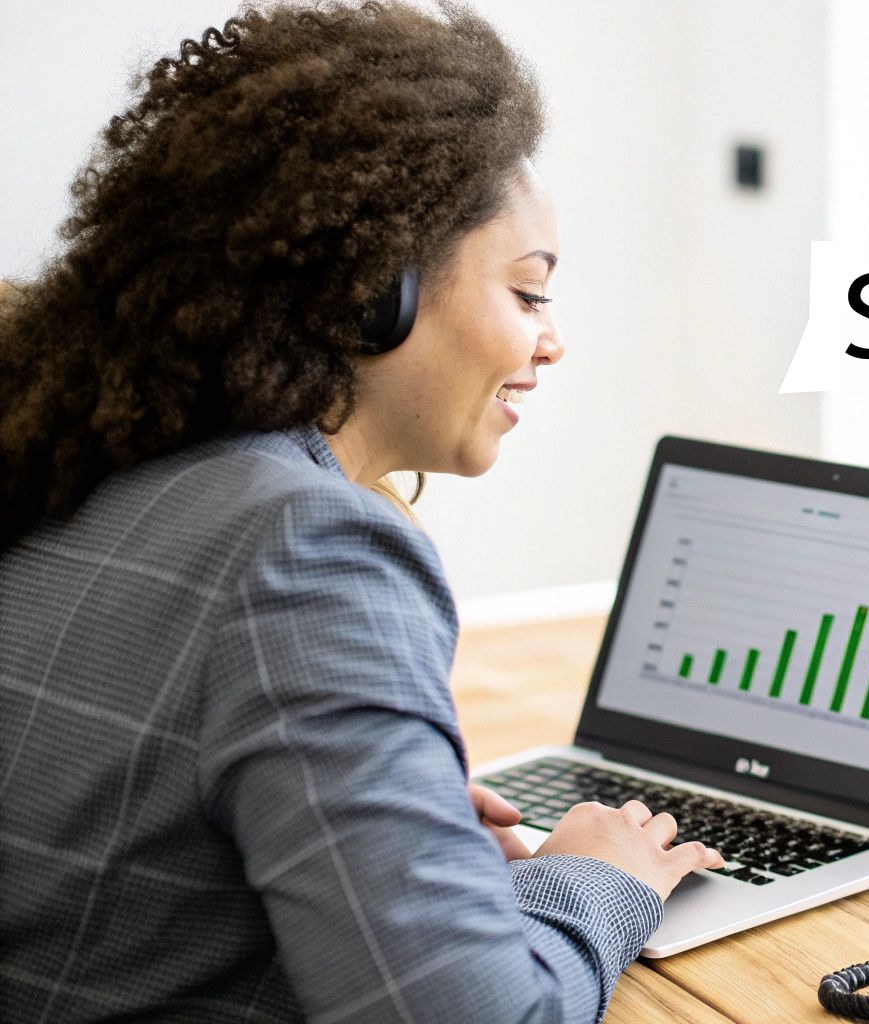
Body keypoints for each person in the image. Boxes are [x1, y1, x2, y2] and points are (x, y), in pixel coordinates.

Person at [0, 3, 721, 1022]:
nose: (549, 342)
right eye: (528, 293)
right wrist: (599, 879)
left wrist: (386, 819)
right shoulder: (305, 543)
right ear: (372, 290)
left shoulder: (91, 465)